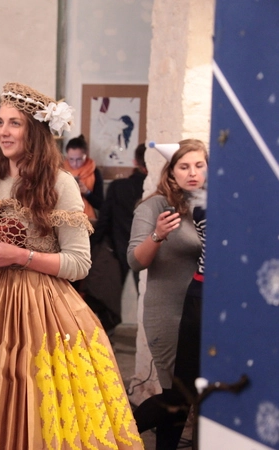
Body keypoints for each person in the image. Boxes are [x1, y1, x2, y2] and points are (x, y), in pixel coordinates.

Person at [0, 82, 142, 449]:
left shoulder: (60, 183)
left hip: (42, 310)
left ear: (35, 131)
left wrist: (21, 256)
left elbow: (79, 263)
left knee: (33, 398)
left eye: (15, 123)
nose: (3, 132)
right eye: (0, 123)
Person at [128, 139, 207, 449]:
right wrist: (157, 235)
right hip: (168, 313)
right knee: (178, 396)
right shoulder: (155, 207)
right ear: (171, 172)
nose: (192, 173)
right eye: (184, 167)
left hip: (201, 312)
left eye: (199, 166)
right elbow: (135, 261)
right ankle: (114, 434)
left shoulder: (211, 205)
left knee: (188, 398)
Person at [82, 143, 148, 331]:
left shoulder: (119, 187)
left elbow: (104, 220)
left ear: (135, 162)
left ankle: (105, 337)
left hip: (117, 248)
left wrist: (91, 247)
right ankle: (145, 340)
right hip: (147, 248)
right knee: (145, 297)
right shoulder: (154, 188)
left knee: (107, 296)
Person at [63, 134, 103, 221]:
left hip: (89, 219)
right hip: (64, 215)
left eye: (79, 159)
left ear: (86, 155)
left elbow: (101, 204)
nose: (75, 163)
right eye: (71, 159)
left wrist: (87, 192)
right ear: (67, 156)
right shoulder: (61, 170)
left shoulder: (94, 172)